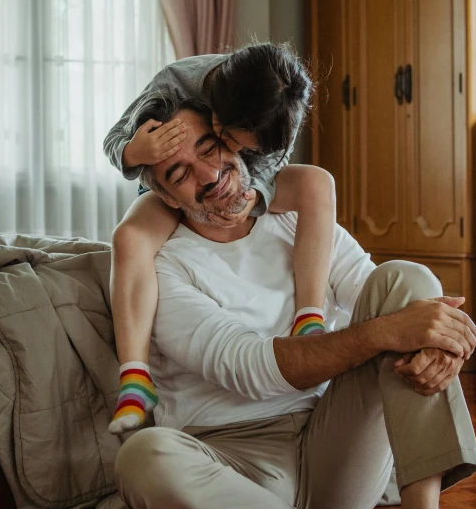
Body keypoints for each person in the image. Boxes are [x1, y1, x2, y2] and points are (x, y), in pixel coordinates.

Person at [114, 98, 476, 509]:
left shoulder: (298, 223)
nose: (210, 175)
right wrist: (389, 331)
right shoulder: (167, 266)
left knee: (410, 281)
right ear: (163, 195)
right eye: (180, 173)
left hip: (332, 448)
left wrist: (440, 335)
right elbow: (251, 366)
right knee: (142, 457)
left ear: (235, 142)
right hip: (236, 475)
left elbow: (387, 297)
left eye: (211, 147)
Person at [103, 43, 336, 434]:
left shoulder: (277, 112)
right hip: (166, 187)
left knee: (317, 183)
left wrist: (257, 193)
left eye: (247, 147)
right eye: (229, 139)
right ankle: (135, 378)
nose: (238, 150)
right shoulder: (175, 82)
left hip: (248, 180)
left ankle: (308, 320)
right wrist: (132, 150)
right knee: (129, 237)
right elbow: (114, 139)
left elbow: (270, 163)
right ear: (219, 111)